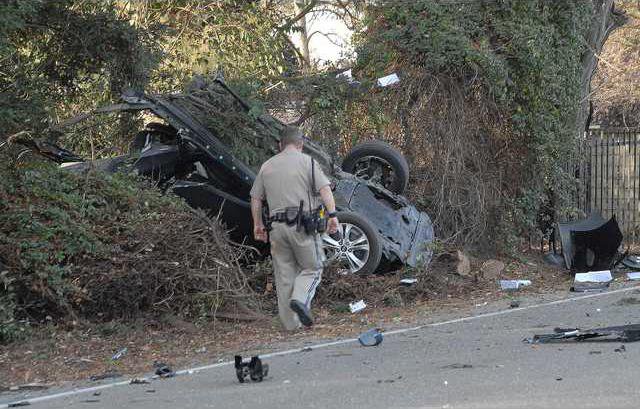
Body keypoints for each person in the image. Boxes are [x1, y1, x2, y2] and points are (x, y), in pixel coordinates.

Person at [250, 126, 339, 331]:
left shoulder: (267, 166)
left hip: (276, 229)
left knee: (284, 277)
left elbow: (255, 198)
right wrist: (333, 216)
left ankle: (291, 325)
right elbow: (325, 189)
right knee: (313, 268)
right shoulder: (308, 162)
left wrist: (258, 225)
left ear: (280, 145)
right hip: (302, 226)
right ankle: (300, 298)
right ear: (301, 145)